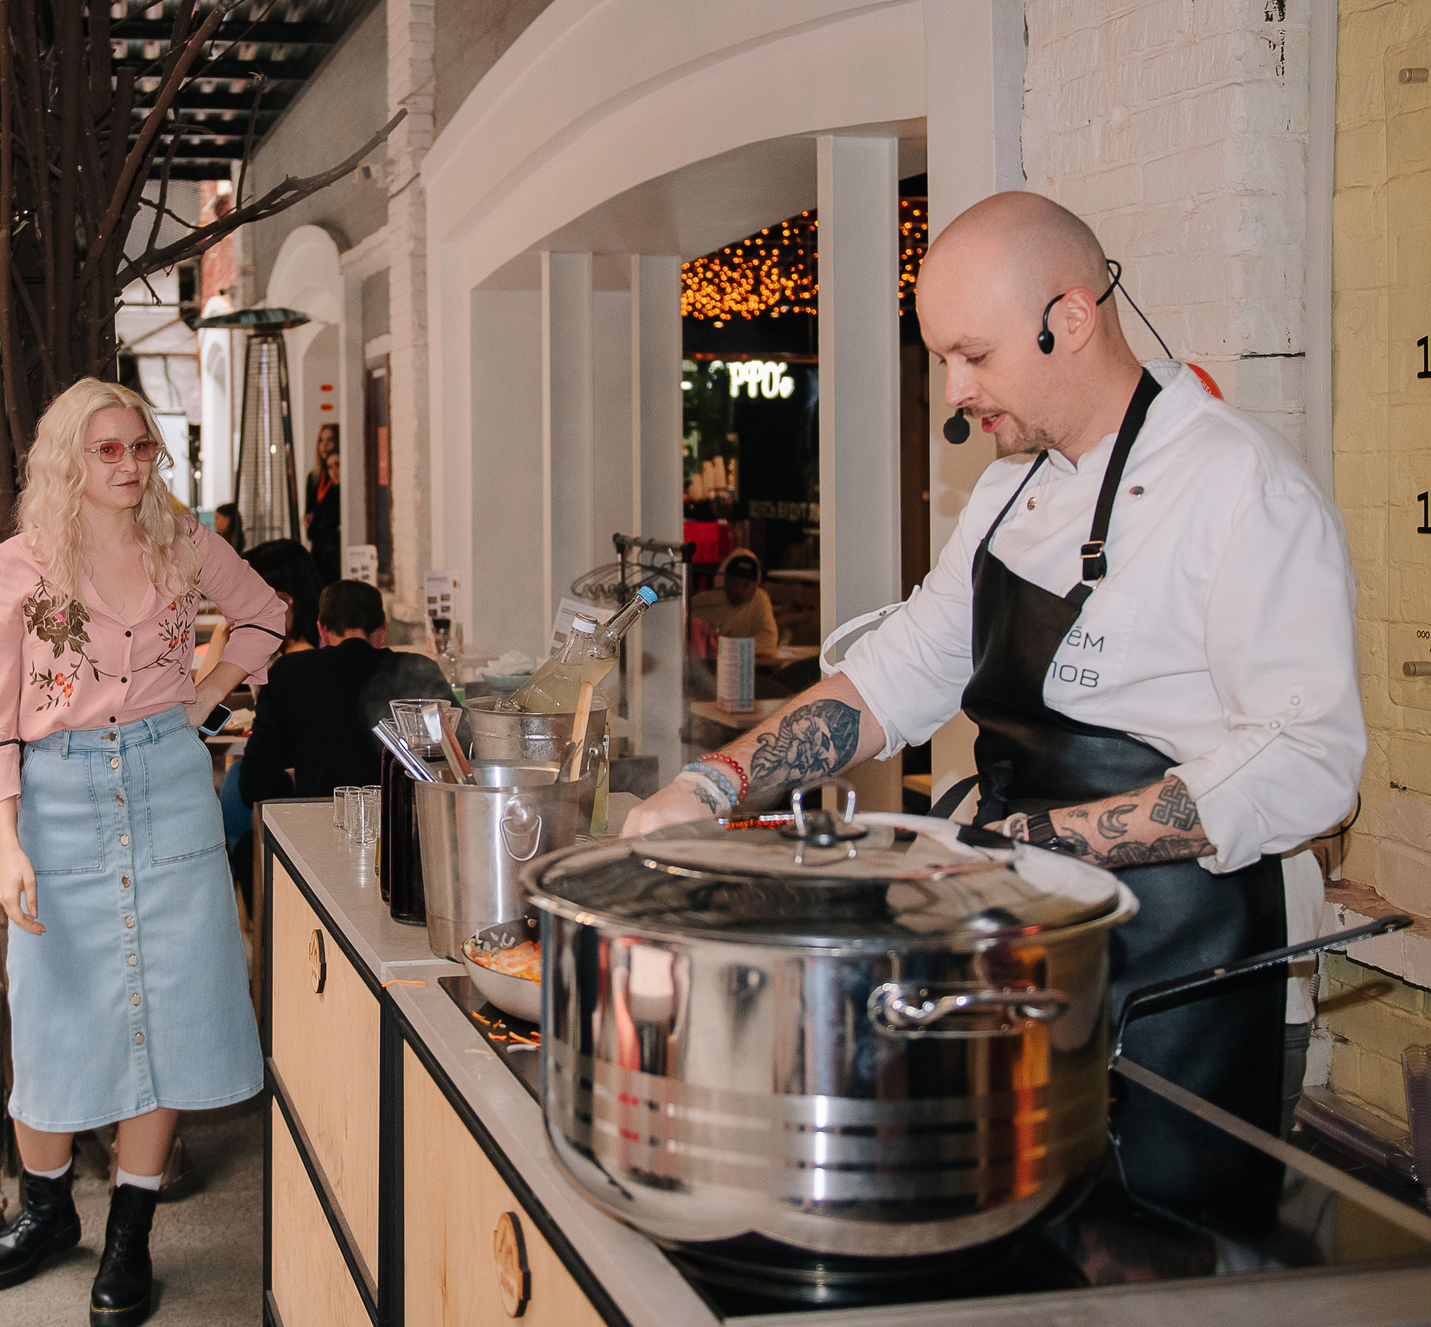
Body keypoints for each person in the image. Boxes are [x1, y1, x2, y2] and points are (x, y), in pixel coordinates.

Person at [625, 192, 1364, 1151]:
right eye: (942, 358)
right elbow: (892, 678)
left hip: (1188, 970)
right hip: (1029, 951)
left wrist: (1039, 839)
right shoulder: (1012, 488)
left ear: (1070, 318)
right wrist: (709, 786)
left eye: (973, 355)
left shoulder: (1239, 486)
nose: (954, 393)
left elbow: (1308, 761)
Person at [0, 378, 286, 1322]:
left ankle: (132, 1233)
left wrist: (204, 699)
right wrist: (7, 841)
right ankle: (48, 1210)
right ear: (69, 455)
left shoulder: (184, 542)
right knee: (53, 1006)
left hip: (167, 785)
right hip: (55, 794)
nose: (130, 464)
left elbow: (265, 615)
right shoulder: (21, 564)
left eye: (141, 446)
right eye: (108, 448)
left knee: (172, 1004)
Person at [237, 579, 451, 811]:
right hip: (405, 825)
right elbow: (461, 761)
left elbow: (253, 786)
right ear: (383, 630)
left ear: (322, 631)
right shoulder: (420, 671)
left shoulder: (289, 672)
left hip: (315, 828)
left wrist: (297, 777)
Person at [302, 425, 341, 582]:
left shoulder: (339, 477)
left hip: (333, 545)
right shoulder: (314, 477)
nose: (324, 445)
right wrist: (308, 518)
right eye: (321, 440)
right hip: (318, 541)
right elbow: (309, 509)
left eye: (329, 440)